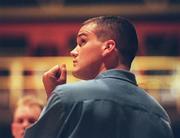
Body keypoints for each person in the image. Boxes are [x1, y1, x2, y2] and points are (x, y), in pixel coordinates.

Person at [24, 16, 174, 138]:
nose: (73, 51)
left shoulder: (66, 96)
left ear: (108, 47)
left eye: (82, 42)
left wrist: (55, 98)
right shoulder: (160, 115)